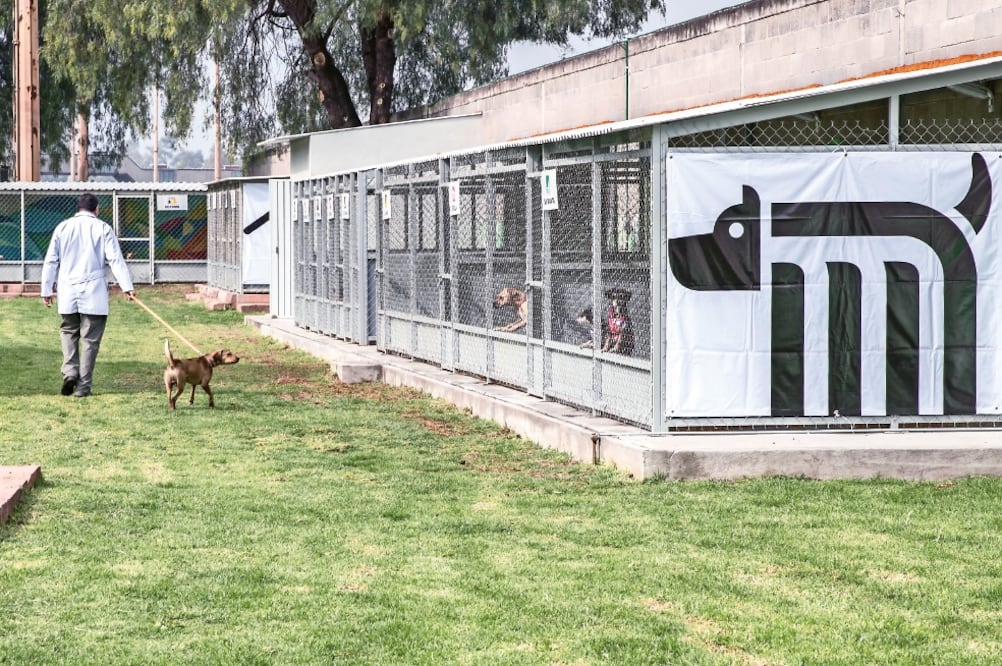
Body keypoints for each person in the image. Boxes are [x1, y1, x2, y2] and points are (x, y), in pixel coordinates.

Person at [40, 193, 136, 398]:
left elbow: (50, 261)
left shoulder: (62, 227)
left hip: (67, 290)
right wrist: (127, 287)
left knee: (68, 332)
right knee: (90, 340)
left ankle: (70, 373)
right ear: (96, 209)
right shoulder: (103, 228)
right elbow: (115, 260)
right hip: (94, 293)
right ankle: (83, 387)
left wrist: (46, 290)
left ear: (78, 208)